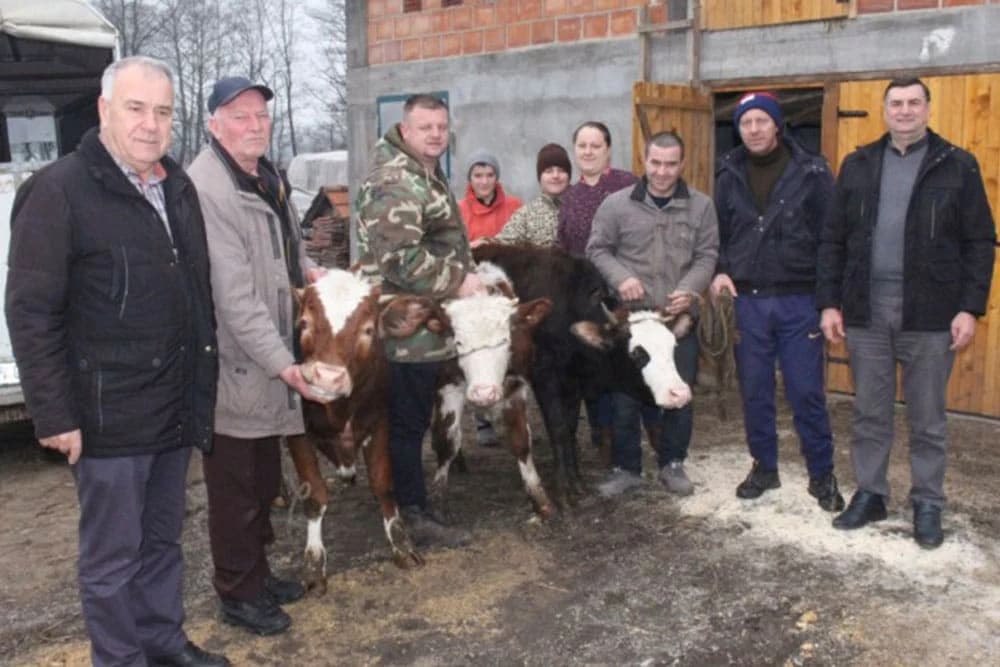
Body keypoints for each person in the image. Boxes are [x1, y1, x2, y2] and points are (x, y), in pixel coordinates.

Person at [4, 56, 228, 667]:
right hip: (105, 419)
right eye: (136, 108)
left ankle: (162, 642)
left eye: (162, 112)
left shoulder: (175, 187)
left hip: (171, 407)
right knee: (111, 559)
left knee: (163, 541)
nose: (151, 124)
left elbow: (195, 294)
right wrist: (53, 413)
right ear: (104, 110)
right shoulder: (58, 191)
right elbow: (30, 312)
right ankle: (121, 659)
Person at [817, 77, 995, 549]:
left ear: (928, 110)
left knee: (928, 418)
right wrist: (829, 302)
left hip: (931, 315)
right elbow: (833, 240)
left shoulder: (958, 166)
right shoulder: (858, 165)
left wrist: (969, 308)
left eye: (914, 102)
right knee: (870, 413)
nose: (905, 110)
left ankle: (928, 503)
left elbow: (980, 243)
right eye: (896, 103)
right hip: (866, 313)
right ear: (884, 110)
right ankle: (871, 493)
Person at [187, 76, 317, 635]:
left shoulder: (265, 175)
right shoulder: (209, 187)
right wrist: (283, 363)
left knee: (264, 482)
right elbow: (233, 298)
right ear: (213, 123)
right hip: (238, 365)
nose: (254, 125)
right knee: (236, 491)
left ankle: (257, 577)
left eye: (261, 115)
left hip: (269, 357)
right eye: (240, 115)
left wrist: (312, 274)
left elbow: (291, 246)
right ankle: (238, 594)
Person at [355, 93, 483, 546]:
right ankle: (411, 512)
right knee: (406, 423)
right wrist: (459, 281)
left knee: (413, 418)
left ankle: (411, 501)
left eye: (442, 127)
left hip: (424, 321)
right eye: (426, 127)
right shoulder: (395, 181)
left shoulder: (424, 173)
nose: (435, 134)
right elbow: (399, 260)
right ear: (404, 130)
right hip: (403, 327)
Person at [711, 91, 845, 512]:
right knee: (754, 390)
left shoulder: (812, 171)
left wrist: (829, 301)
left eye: (761, 121)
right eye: (745, 123)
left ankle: (822, 474)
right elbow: (719, 232)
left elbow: (832, 239)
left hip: (798, 300)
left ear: (777, 125)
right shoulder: (728, 173)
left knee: (806, 392)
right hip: (748, 301)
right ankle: (764, 467)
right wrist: (719, 268)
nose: (753, 130)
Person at [587, 131, 718, 497]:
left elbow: (707, 254)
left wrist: (690, 288)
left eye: (671, 164)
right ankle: (626, 466)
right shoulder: (616, 205)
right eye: (656, 163)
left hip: (677, 320)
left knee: (679, 388)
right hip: (632, 322)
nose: (662, 172)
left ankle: (673, 463)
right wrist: (621, 277)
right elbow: (597, 249)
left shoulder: (701, 206)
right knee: (625, 395)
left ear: (682, 164)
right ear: (644, 161)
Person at [558, 121, 639, 455]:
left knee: (626, 368)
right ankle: (603, 435)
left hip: (626, 292)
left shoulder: (628, 185)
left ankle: (632, 440)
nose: (588, 151)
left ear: (608, 149)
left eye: (595, 145)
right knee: (593, 369)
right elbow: (562, 248)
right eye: (582, 146)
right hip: (586, 298)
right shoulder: (570, 196)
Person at [493, 142, 572, 247]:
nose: (555, 176)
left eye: (561, 171)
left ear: (569, 175)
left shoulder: (582, 204)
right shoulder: (527, 213)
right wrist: (483, 244)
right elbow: (501, 243)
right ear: (540, 177)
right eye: (549, 171)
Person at [458, 149, 522, 244]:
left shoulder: (515, 206)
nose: (484, 182)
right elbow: (450, 249)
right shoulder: (458, 210)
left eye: (490, 175)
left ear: (497, 178)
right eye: (478, 176)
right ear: (469, 179)